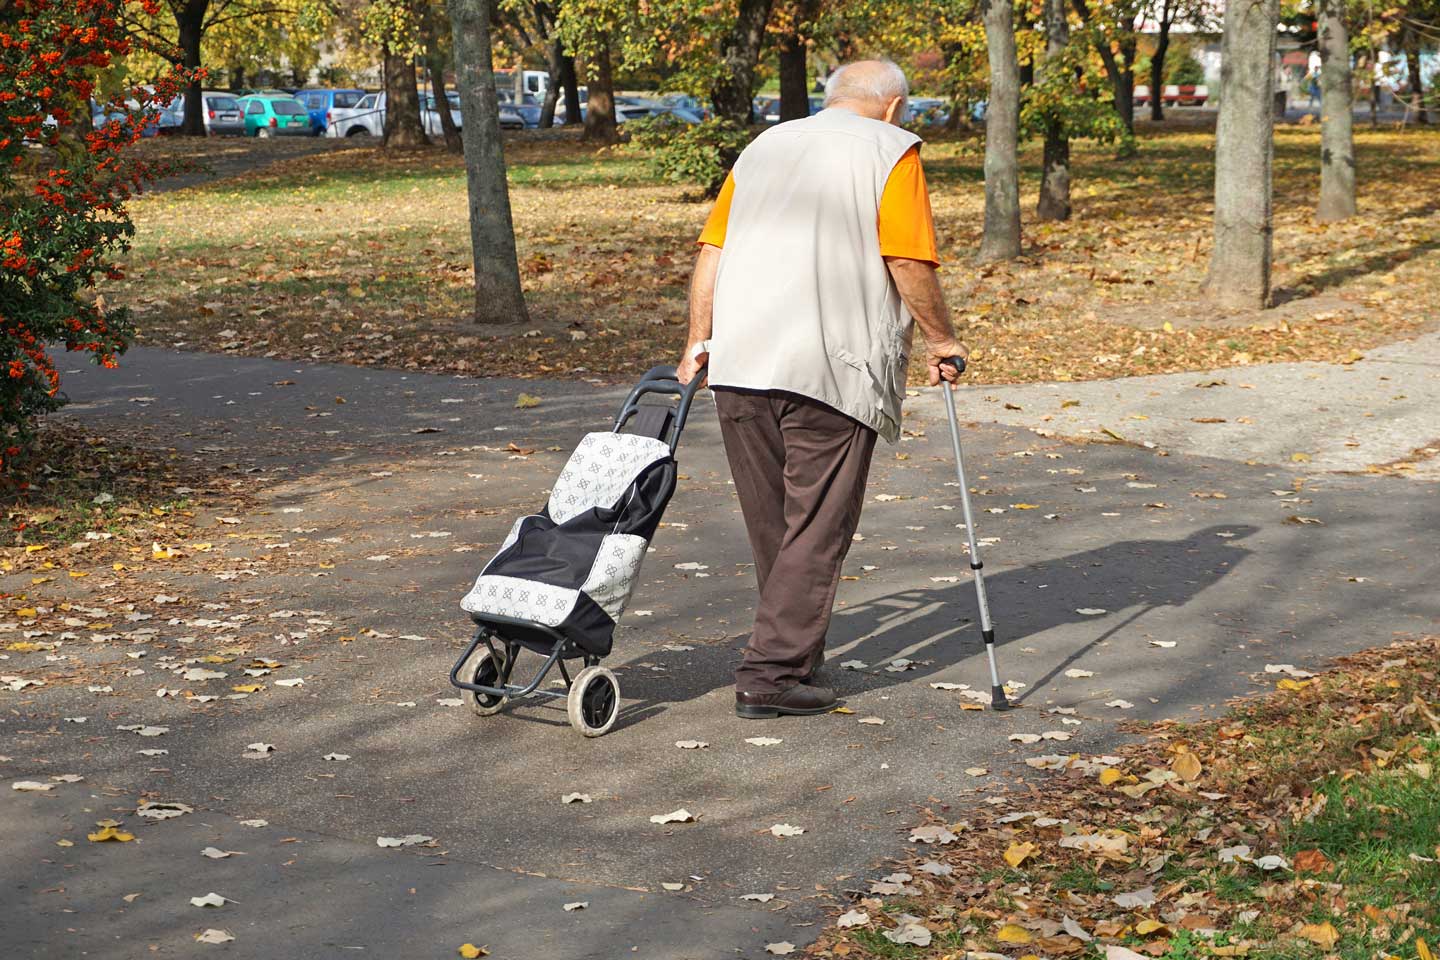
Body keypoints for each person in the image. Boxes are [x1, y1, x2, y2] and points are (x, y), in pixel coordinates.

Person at [676, 59, 970, 720]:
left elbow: (712, 254)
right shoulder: (891, 150)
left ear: (830, 98)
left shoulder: (764, 147)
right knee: (816, 523)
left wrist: (697, 340)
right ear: (894, 107)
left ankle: (792, 655)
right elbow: (906, 259)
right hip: (828, 366)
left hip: (741, 362)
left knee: (775, 524)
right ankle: (772, 675)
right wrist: (942, 339)